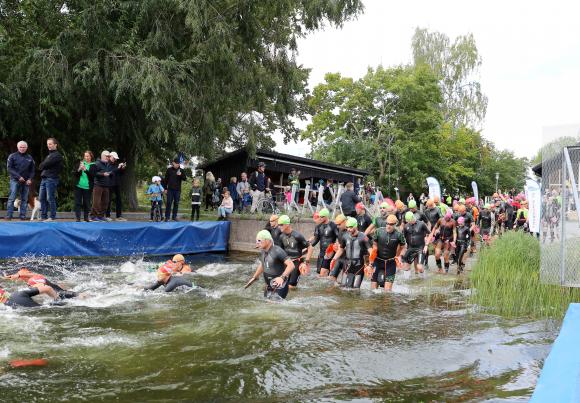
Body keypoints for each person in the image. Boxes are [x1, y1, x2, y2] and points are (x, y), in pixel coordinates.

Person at [244, 230, 295, 300]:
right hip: (269, 286)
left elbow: (291, 265)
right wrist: (254, 277)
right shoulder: (263, 251)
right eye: (256, 241)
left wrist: (281, 277)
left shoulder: (277, 250)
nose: (257, 243)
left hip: (280, 285)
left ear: (267, 240)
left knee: (274, 308)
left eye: (259, 240)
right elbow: (263, 264)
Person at [331, 217, 371, 288]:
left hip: (359, 265)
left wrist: (369, 265)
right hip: (347, 264)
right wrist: (334, 259)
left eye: (350, 227)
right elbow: (341, 249)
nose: (348, 229)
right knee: (343, 286)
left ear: (355, 226)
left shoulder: (363, 237)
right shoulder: (345, 236)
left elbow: (370, 251)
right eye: (347, 227)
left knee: (355, 288)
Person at [369, 214, 405, 291]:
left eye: (391, 224)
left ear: (395, 224)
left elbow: (403, 247)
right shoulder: (378, 231)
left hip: (390, 263)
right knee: (373, 289)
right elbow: (374, 246)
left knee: (387, 291)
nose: (388, 226)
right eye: (387, 223)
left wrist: (399, 256)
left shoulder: (399, 235)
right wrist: (371, 262)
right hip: (378, 261)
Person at [278, 215, 310, 289]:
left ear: (287, 224)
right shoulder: (281, 237)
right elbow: (280, 251)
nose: (279, 226)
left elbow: (310, 247)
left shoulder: (297, 235)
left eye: (281, 224)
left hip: (296, 262)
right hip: (287, 262)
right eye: (278, 224)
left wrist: (305, 262)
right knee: (282, 284)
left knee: (291, 286)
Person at [6, 140, 36, 221]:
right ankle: (9, 216)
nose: (22, 148)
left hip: (26, 181)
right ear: (17, 147)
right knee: (12, 198)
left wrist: (30, 179)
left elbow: (32, 171)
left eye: (24, 147)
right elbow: (9, 168)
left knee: (24, 199)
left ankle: (22, 216)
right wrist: (18, 177)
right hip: (15, 180)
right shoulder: (12, 156)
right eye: (21, 147)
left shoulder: (30, 158)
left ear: (26, 148)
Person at [305, 208, 339, 276]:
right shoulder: (318, 226)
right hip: (321, 253)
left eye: (322, 217)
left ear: (326, 216)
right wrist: (307, 246)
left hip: (330, 252)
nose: (320, 218)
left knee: (326, 274)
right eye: (319, 216)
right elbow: (316, 240)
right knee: (319, 273)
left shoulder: (333, 225)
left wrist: (337, 246)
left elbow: (339, 238)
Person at [4, 268, 78, 299]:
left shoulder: (32, 279)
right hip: (57, 291)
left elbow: (38, 276)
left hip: (58, 294)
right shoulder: (31, 281)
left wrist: (19, 275)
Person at [38, 137, 63, 222]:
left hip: (51, 179)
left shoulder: (57, 155)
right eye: (48, 144)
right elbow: (41, 166)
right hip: (44, 179)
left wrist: (44, 164)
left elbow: (44, 165)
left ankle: (52, 217)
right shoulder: (49, 155)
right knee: (41, 198)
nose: (49, 145)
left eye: (50, 144)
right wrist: (44, 164)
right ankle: (43, 216)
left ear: (55, 145)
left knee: (50, 198)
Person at [90, 151, 114, 221]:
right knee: (96, 202)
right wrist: (103, 174)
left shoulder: (107, 164)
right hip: (98, 185)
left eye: (109, 156)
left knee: (105, 202)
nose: (108, 158)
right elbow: (93, 173)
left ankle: (101, 216)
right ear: (102, 156)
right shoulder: (97, 163)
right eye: (107, 156)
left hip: (106, 186)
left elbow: (109, 173)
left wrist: (110, 174)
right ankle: (93, 216)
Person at [73, 150, 95, 222]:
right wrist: (79, 169)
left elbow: (92, 176)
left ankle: (86, 218)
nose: (86, 157)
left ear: (91, 156)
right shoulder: (80, 163)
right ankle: (78, 218)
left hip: (87, 187)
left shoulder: (93, 165)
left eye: (88, 156)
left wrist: (85, 170)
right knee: (77, 202)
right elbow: (75, 174)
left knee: (86, 203)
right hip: (78, 186)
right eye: (85, 156)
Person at [163, 157, 187, 221]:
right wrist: (165, 188)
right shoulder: (169, 170)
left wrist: (181, 175)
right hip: (170, 189)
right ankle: (167, 217)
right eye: (176, 163)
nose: (177, 165)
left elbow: (185, 178)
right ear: (173, 163)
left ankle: (174, 216)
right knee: (168, 203)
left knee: (176, 203)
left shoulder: (181, 170)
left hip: (178, 190)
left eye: (178, 163)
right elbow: (165, 180)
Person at [105, 151, 127, 221]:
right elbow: (111, 172)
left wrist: (122, 168)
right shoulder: (107, 164)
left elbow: (121, 173)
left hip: (117, 184)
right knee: (108, 200)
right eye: (114, 158)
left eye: (116, 158)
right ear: (110, 157)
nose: (115, 159)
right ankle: (107, 215)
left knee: (119, 200)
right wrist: (118, 168)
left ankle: (118, 216)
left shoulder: (116, 164)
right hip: (110, 184)